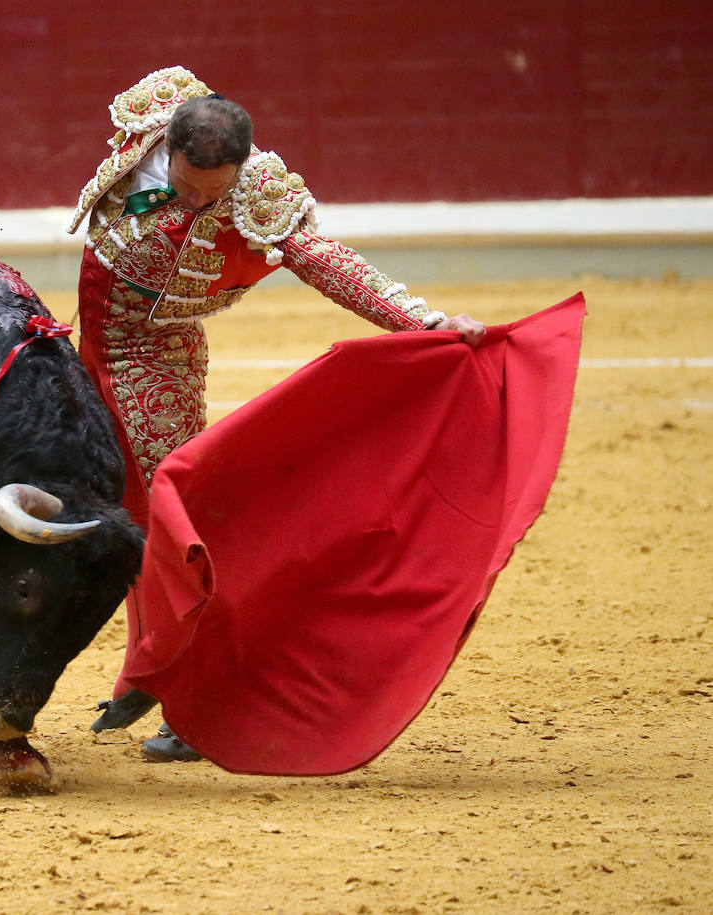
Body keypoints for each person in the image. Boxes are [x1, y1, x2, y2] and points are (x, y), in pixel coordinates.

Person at [68, 66, 486, 762]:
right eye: (189, 184)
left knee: (176, 526)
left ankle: (196, 702)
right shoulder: (153, 114)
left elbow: (330, 263)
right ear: (166, 147)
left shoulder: (260, 193)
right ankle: (148, 665)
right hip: (88, 346)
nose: (201, 200)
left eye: (216, 191)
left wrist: (427, 323)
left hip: (154, 361)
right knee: (101, 506)